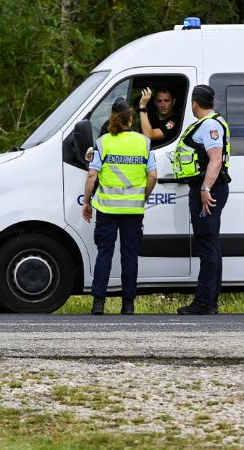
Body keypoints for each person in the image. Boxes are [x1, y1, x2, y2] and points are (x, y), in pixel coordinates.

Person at [82, 97, 157, 315]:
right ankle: (128, 304)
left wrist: (86, 202)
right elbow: (153, 176)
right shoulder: (143, 142)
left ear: (112, 118)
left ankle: (98, 304)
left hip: (107, 210)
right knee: (129, 256)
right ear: (131, 119)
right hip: (133, 211)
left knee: (104, 254)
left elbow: (91, 175)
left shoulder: (104, 142)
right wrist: (142, 196)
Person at [176, 85, 232, 315]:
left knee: (207, 244)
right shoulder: (211, 122)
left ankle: (204, 303)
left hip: (209, 189)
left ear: (194, 103)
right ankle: (211, 300)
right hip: (211, 188)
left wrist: (205, 188)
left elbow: (215, 159)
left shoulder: (209, 124)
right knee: (211, 244)